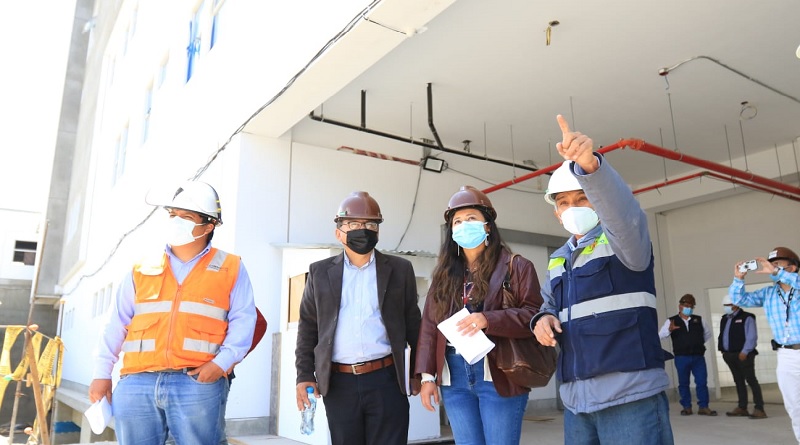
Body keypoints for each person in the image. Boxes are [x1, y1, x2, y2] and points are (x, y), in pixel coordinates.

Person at [531, 115, 674, 444]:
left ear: (597, 200)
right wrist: (542, 319)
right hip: (577, 402)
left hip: (629, 397)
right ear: (556, 213)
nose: (572, 208)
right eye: (564, 203)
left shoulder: (624, 242)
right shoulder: (558, 258)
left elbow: (623, 213)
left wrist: (589, 167)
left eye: (582, 198)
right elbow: (547, 305)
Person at [88, 181, 257, 445]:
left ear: (209, 226)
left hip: (196, 382)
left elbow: (244, 321)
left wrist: (220, 365)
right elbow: (115, 323)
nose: (176, 221)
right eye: (172, 215)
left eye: (186, 217)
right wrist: (101, 373)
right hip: (137, 383)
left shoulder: (231, 266)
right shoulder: (141, 267)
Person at [414, 186, 542, 445]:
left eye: (471, 218)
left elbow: (533, 315)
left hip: (497, 369)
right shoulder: (444, 274)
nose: (464, 226)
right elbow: (429, 325)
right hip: (454, 374)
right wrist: (427, 377)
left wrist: (489, 320)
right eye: (457, 222)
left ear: (487, 226)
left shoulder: (517, 266)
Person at [295, 191, 421, 445]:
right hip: (339, 383)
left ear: (378, 232)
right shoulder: (319, 272)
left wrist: (419, 372)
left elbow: (413, 324)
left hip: (387, 379)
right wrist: (304, 375)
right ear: (338, 232)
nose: (362, 230)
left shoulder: (400, 269)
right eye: (353, 224)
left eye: (370, 225)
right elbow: (308, 327)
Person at [730, 246, 800, 440]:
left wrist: (777, 272)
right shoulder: (768, 293)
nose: (771, 268)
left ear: (793, 268)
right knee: (794, 406)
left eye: (777, 264)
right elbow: (739, 299)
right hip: (786, 356)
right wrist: (738, 279)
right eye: (771, 264)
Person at [659, 294, 717, 416]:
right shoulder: (671, 321)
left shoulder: (699, 320)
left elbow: (707, 335)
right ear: (680, 306)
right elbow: (660, 336)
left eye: (691, 306)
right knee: (683, 383)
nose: (688, 308)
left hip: (698, 357)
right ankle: (686, 407)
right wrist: (669, 330)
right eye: (686, 305)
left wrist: (696, 343)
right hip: (681, 357)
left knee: (702, 382)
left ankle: (703, 407)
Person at [718, 294, 766, 419]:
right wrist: (723, 351)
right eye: (724, 305)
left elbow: (751, 336)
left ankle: (759, 408)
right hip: (729, 355)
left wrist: (744, 352)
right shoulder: (724, 318)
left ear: (735, 305)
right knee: (738, 380)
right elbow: (722, 335)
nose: (726, 308)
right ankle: (742, 407)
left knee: (751, 380)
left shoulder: (747, 317)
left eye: (727, 305)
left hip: (744, 355)